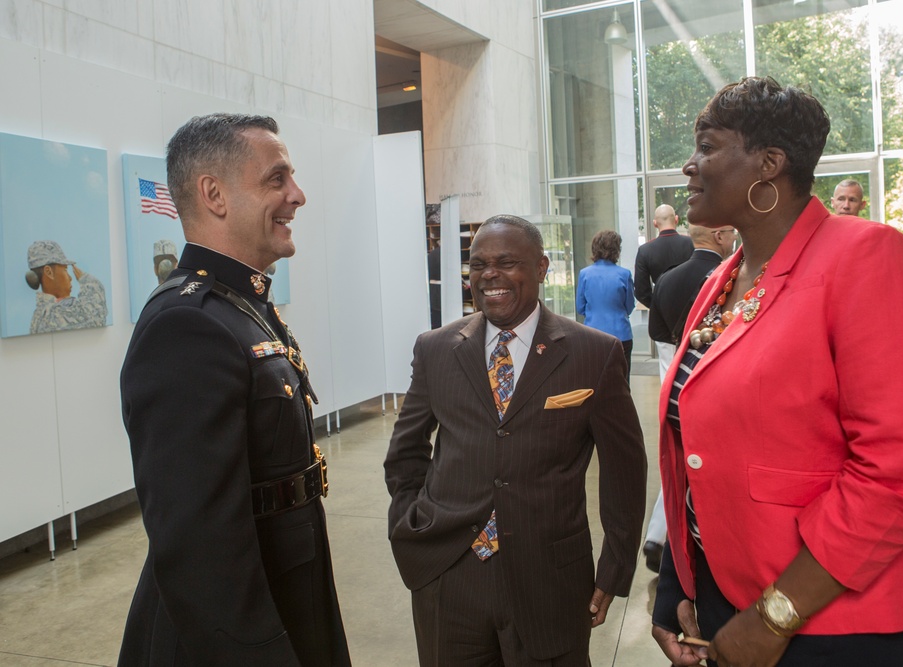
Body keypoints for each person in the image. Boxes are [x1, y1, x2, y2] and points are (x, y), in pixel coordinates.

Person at [650, 77, 903, 667]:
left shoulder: (868, 257)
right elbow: (696, 453)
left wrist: (775, 615)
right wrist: (679, 587)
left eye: (707, 146)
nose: (690, 166)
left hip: (834, 618)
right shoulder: (728, 276)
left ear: (769, 164)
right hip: (730, 593)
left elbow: (896, 471)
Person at [119, 113, 351, 666]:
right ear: (214, 195)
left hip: (289, 587)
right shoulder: (188, 324)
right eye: (276, 179)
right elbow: (200, 548)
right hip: (233, 631)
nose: (297, 195)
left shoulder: (242, 308)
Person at [384, 214, 646, 666]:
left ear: (542, 267)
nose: (490, 275)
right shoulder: (435, 349)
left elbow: (625, 470)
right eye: (478, 264)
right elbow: (405, 455)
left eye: (507, 262)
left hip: (551, 580)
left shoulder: (593, 354)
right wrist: (413, 527)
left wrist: (615, 566)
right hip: (451, 573)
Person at [641, 224, 736, 572]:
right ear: (722, 235)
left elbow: (656, 329)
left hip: (675, 374)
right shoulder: (728, 279)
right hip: (715, 382)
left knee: (678, 456)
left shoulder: (666, 278)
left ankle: (658, 533)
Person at [634, 204, 694, 380]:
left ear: (654, 224)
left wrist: (657, 306)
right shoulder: (690, 244)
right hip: (690, 313)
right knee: (691, 363)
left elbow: (641, 290)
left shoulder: (645, 251)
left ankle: (668, 405)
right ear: (676, 220)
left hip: (663, 319)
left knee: (667, 367)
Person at [576, 229, 636, 381]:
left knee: (594, 378)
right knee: (622, 379)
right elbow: (629, 306)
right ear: (617, 250)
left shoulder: (585, 274)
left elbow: (580, 307)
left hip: (592, 334)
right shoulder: (624, 274)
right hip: (620, 333)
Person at [24, 240, 107, 334]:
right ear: (48, 272)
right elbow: (96, 318)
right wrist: (87, 281)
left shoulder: (40, 314)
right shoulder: (54, 314)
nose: (70, 278)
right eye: (65, 269)